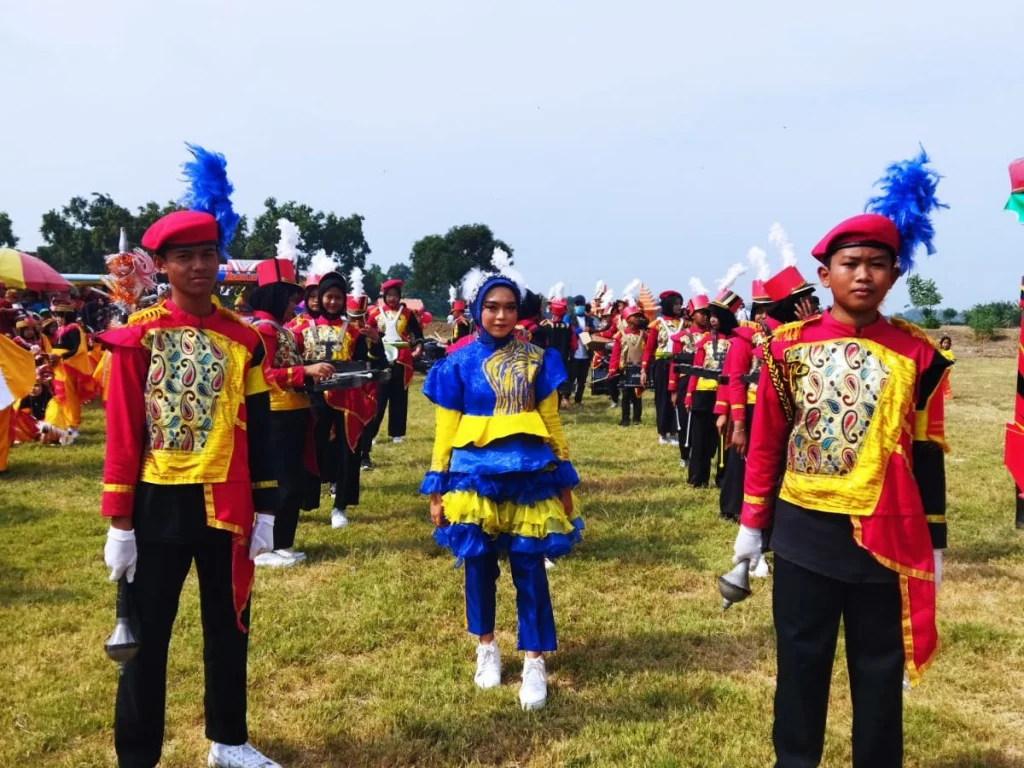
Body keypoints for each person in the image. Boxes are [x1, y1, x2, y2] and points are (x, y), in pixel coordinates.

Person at [734, 150, 950, 767]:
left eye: (877, 264)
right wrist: (753, 526)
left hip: (887, 536)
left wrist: (935, 542)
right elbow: (769, 443)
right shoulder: (783, 348)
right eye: (849, 264)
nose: (863, 275)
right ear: (824, 275)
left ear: (894, 273)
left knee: (878, 675)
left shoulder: (920, 356)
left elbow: (927, 450)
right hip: (805, 531)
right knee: (800, 669)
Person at [99, 143, 282, 768]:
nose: (200, 266)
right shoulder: (136, 336)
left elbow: (259, 426)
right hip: (157, 504)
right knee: (146, 638)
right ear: (164, 266)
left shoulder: (245, 339)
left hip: (227, 504)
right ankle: (138, 756)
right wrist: (119, 520)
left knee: (229, 625)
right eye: (185, 257)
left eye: (208, 254)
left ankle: (228, 741)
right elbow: (124, 432)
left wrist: (265, 508)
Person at [420, 256, 583, 711]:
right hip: (473, 480)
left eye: (509, 307)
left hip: (530, 478)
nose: (500, 315)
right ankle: (486, 647)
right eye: (491, 306)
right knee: (478, 566)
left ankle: (533, 659)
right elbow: (445, 430)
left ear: (519, 311)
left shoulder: (539, 360)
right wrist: (438, 488)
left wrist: (563, 478)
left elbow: (551, 423)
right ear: (477, 310)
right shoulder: (455, 364)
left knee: (530, 569)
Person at [249, 244, 333, 567]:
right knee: (281, 480)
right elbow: (266, 373)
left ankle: (282, 542)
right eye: (289, 300)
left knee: (293, 480)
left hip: (293, 412)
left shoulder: (279, 329)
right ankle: (267, 548)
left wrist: (309, 373)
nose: (294, 307)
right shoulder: (264, 330)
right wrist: (305, 371)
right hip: (277, 414)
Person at [301, 271, 382, 528]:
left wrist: (376, 343)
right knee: (310, 450)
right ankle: (305, 500)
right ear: (320, 297)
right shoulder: (299, 328)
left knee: (348, 452)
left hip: (346, 401)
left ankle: (340, 507)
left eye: (338, 297)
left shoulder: (354, 332)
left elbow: (369, 365)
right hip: (312, 401)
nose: (333, 302)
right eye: (328, 297)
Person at [685, 267, 745, 488]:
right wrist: (689, 396)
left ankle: (722, 478)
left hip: (726, 394)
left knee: (723, 440)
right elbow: (696, 368)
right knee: (700, 439)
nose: (711, 320)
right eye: (710, 315)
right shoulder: (703, 342)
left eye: (716, 316)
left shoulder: (736, 342)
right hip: (703, 393)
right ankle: (697, 478)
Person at [364, 278, 422, 453]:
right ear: (384, 296)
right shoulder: (374, 313)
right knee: (379, 397)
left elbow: (417, 333)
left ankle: (397, 433)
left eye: (395, 295)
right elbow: (368, 333)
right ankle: (372, 433)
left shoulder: (408, 313)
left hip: (402, 358)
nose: (392, 299)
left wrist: (418, 347)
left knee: (399, 396)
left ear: (399, 296)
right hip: (382, 357)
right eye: (389, 295)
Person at [642, 289, 685, 445]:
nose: (679, 307)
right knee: (662, 398)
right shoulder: (657, 324)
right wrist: (644, 369)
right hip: (661, 365)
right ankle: (662, 431)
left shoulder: (684, 323)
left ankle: (674, 432)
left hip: (679, 364)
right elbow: (649, 348)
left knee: (677, 398)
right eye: (676, 304)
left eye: (680, 303)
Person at [609, 302, 648, 426]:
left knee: (638, 393)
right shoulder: (620, 335)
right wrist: (612, 368)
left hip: (639, 368)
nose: (638, 318)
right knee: (626, 394)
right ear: (628, 319)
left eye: (639, 316)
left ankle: (637, 418)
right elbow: (616, 353)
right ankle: (625, 419)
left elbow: (648, 351)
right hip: (625, 369)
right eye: (635, 316)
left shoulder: (644, 335)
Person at [543, 283, 577, 408]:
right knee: (561, 383)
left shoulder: (545, 326)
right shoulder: (569, 328)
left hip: (548, 358)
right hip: (563, 359)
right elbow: (574, 346)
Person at [567, 294, 596, 404]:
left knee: (582, 379)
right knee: (571, 377)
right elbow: (567, 331)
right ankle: (566, 396)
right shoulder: (570, 318)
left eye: (581, 304)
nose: (579, 306)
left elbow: (594, 330)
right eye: (577, 304)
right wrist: (579, 330)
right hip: (574, 354)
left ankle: (578, 399)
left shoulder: (589, 319)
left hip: (586, 353)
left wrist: (590, 329)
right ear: (574, 305)